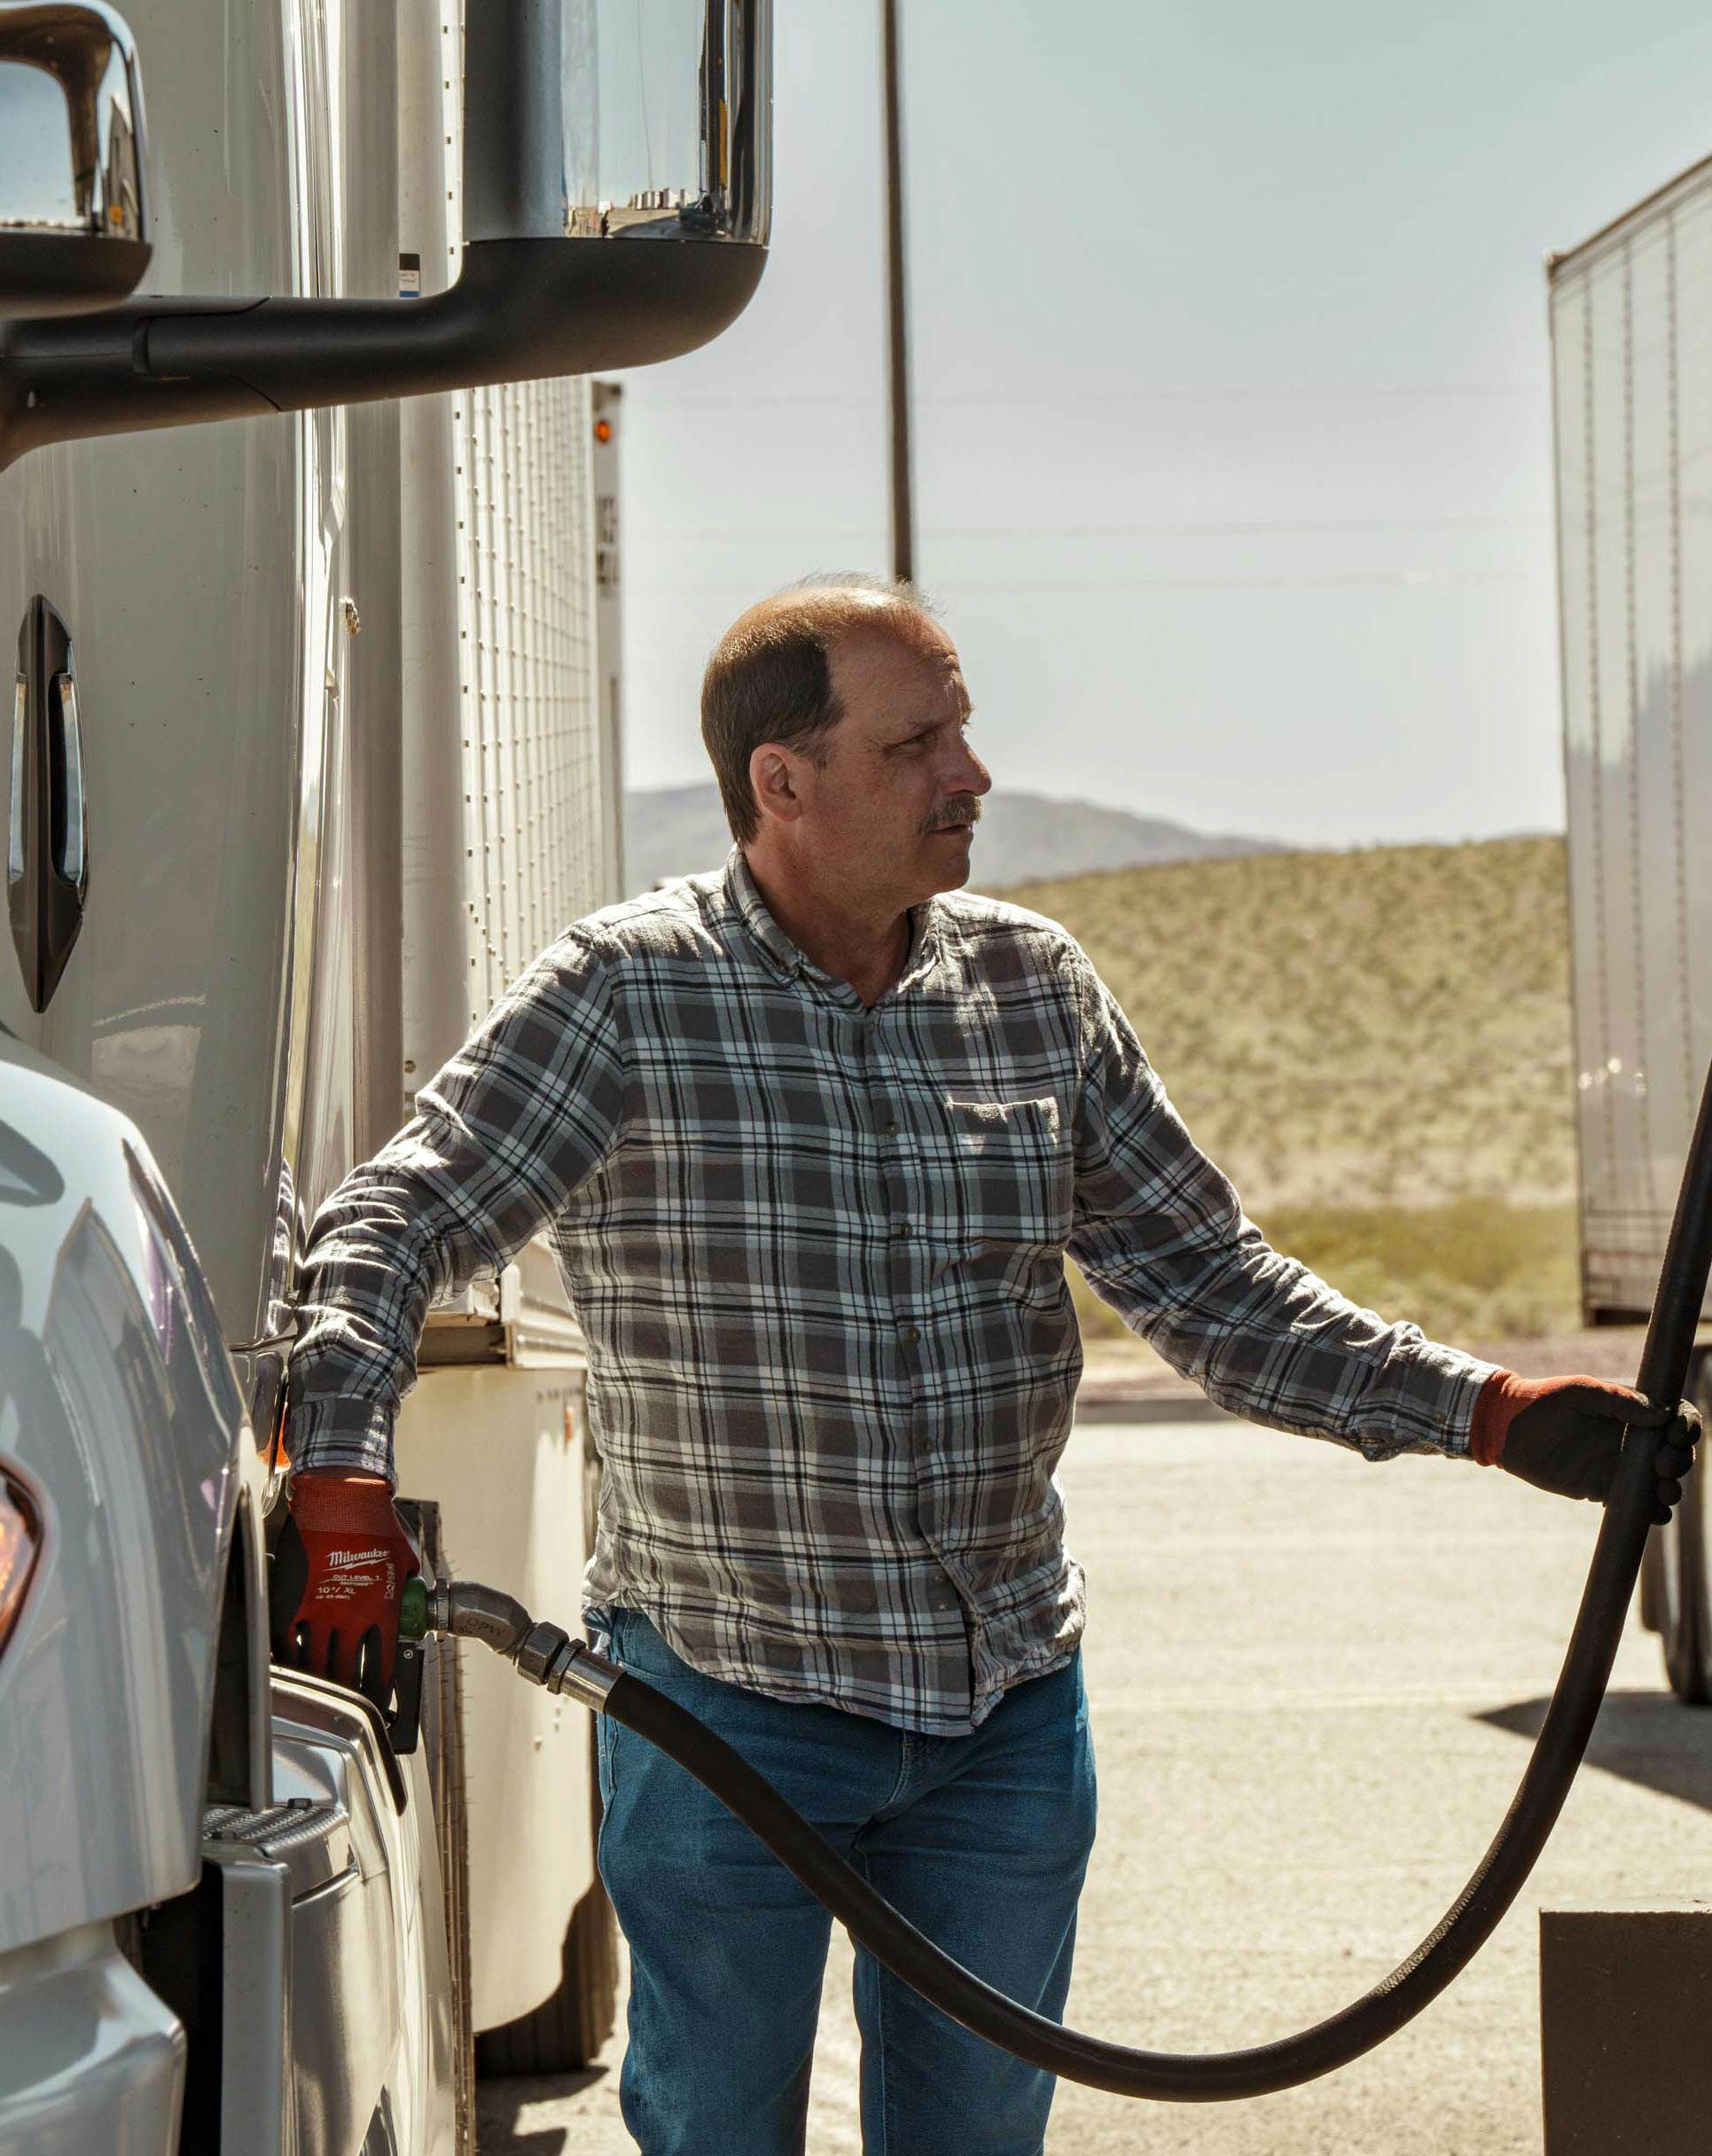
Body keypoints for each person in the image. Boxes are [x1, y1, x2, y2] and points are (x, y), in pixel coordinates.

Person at [277, 574, 1698, 2156]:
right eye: (920, 741)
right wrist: (340, 1475)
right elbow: (392, 1221)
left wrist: (1492, 1415)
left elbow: (1216, 1290)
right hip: (727, 1707)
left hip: (1003, 1716)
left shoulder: (1031, 992)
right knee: (718, 2135)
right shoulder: (627, 996)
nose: (973, 772)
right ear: (782, 785)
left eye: (963, 730)